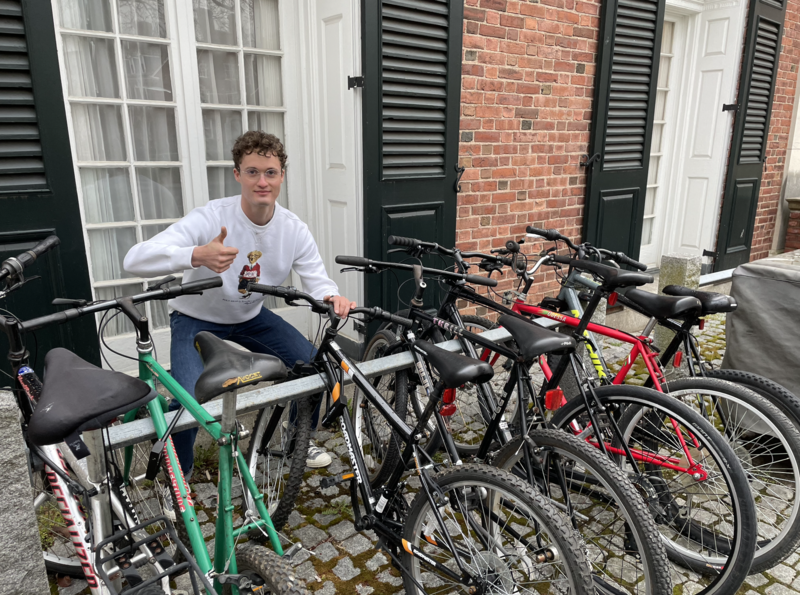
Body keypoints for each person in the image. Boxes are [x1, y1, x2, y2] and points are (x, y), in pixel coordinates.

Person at [124, 130, 355, 476]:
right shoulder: (211, 218)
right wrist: (196, 255)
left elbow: (317, 278)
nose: (262, 181)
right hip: (195, 318)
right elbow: (134, 259)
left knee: (313, 365)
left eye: (270, 172)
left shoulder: (293, 229)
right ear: (237, 174)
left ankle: (296, 442)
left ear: (281, 176)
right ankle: (180, 477)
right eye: (252, 172)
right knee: (188, 398)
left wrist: (330, 295)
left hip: (249, 316)